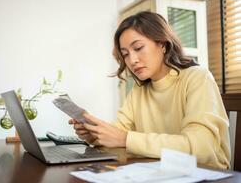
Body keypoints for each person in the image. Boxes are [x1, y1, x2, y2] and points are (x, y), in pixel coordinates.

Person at [69, 11, 230, 169]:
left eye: (138, 48)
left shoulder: (197, 78)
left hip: (206, 173)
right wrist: (94, 135)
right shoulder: (139, 90)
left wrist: (126, 139)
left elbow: (201, 148)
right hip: (160, 170)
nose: (132, 60)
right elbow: (118, 133)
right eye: (125, 54)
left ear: (162, 44)